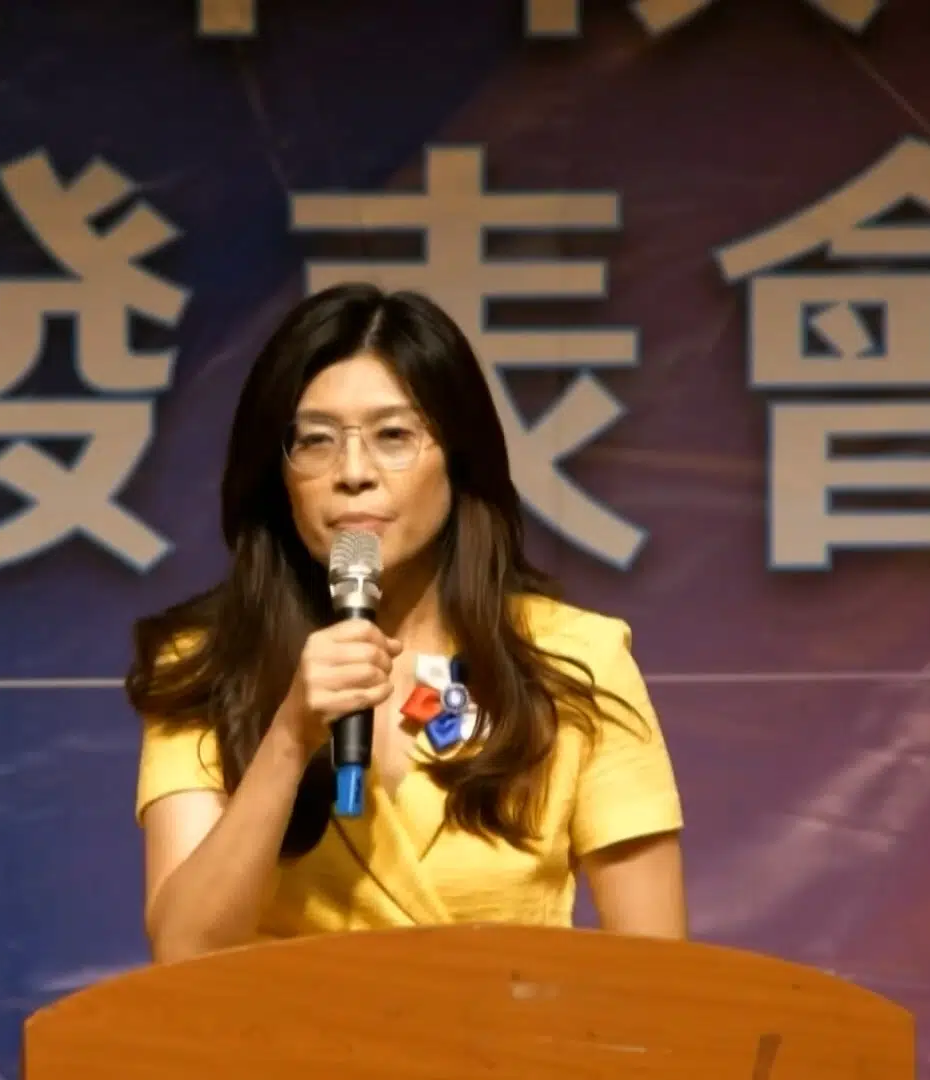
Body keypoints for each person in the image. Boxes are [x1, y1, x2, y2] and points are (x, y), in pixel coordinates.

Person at [125, 283, 685, 963]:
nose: (353, 472)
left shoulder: (575, 657)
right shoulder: (206, 665)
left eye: (393, 436)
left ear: (458, 457)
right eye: (315, 440)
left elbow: (659, 971)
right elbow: (184, 951)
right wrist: (289, 738)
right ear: (278, 473)